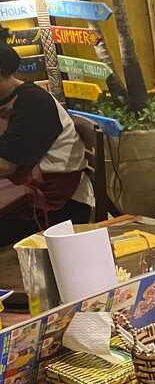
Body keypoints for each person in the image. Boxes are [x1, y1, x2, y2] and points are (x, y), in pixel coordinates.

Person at [0, 40, 93, 245]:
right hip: (24, 190)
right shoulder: (7, 99)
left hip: (56, 203)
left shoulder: (33, 103)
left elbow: (7, 165)